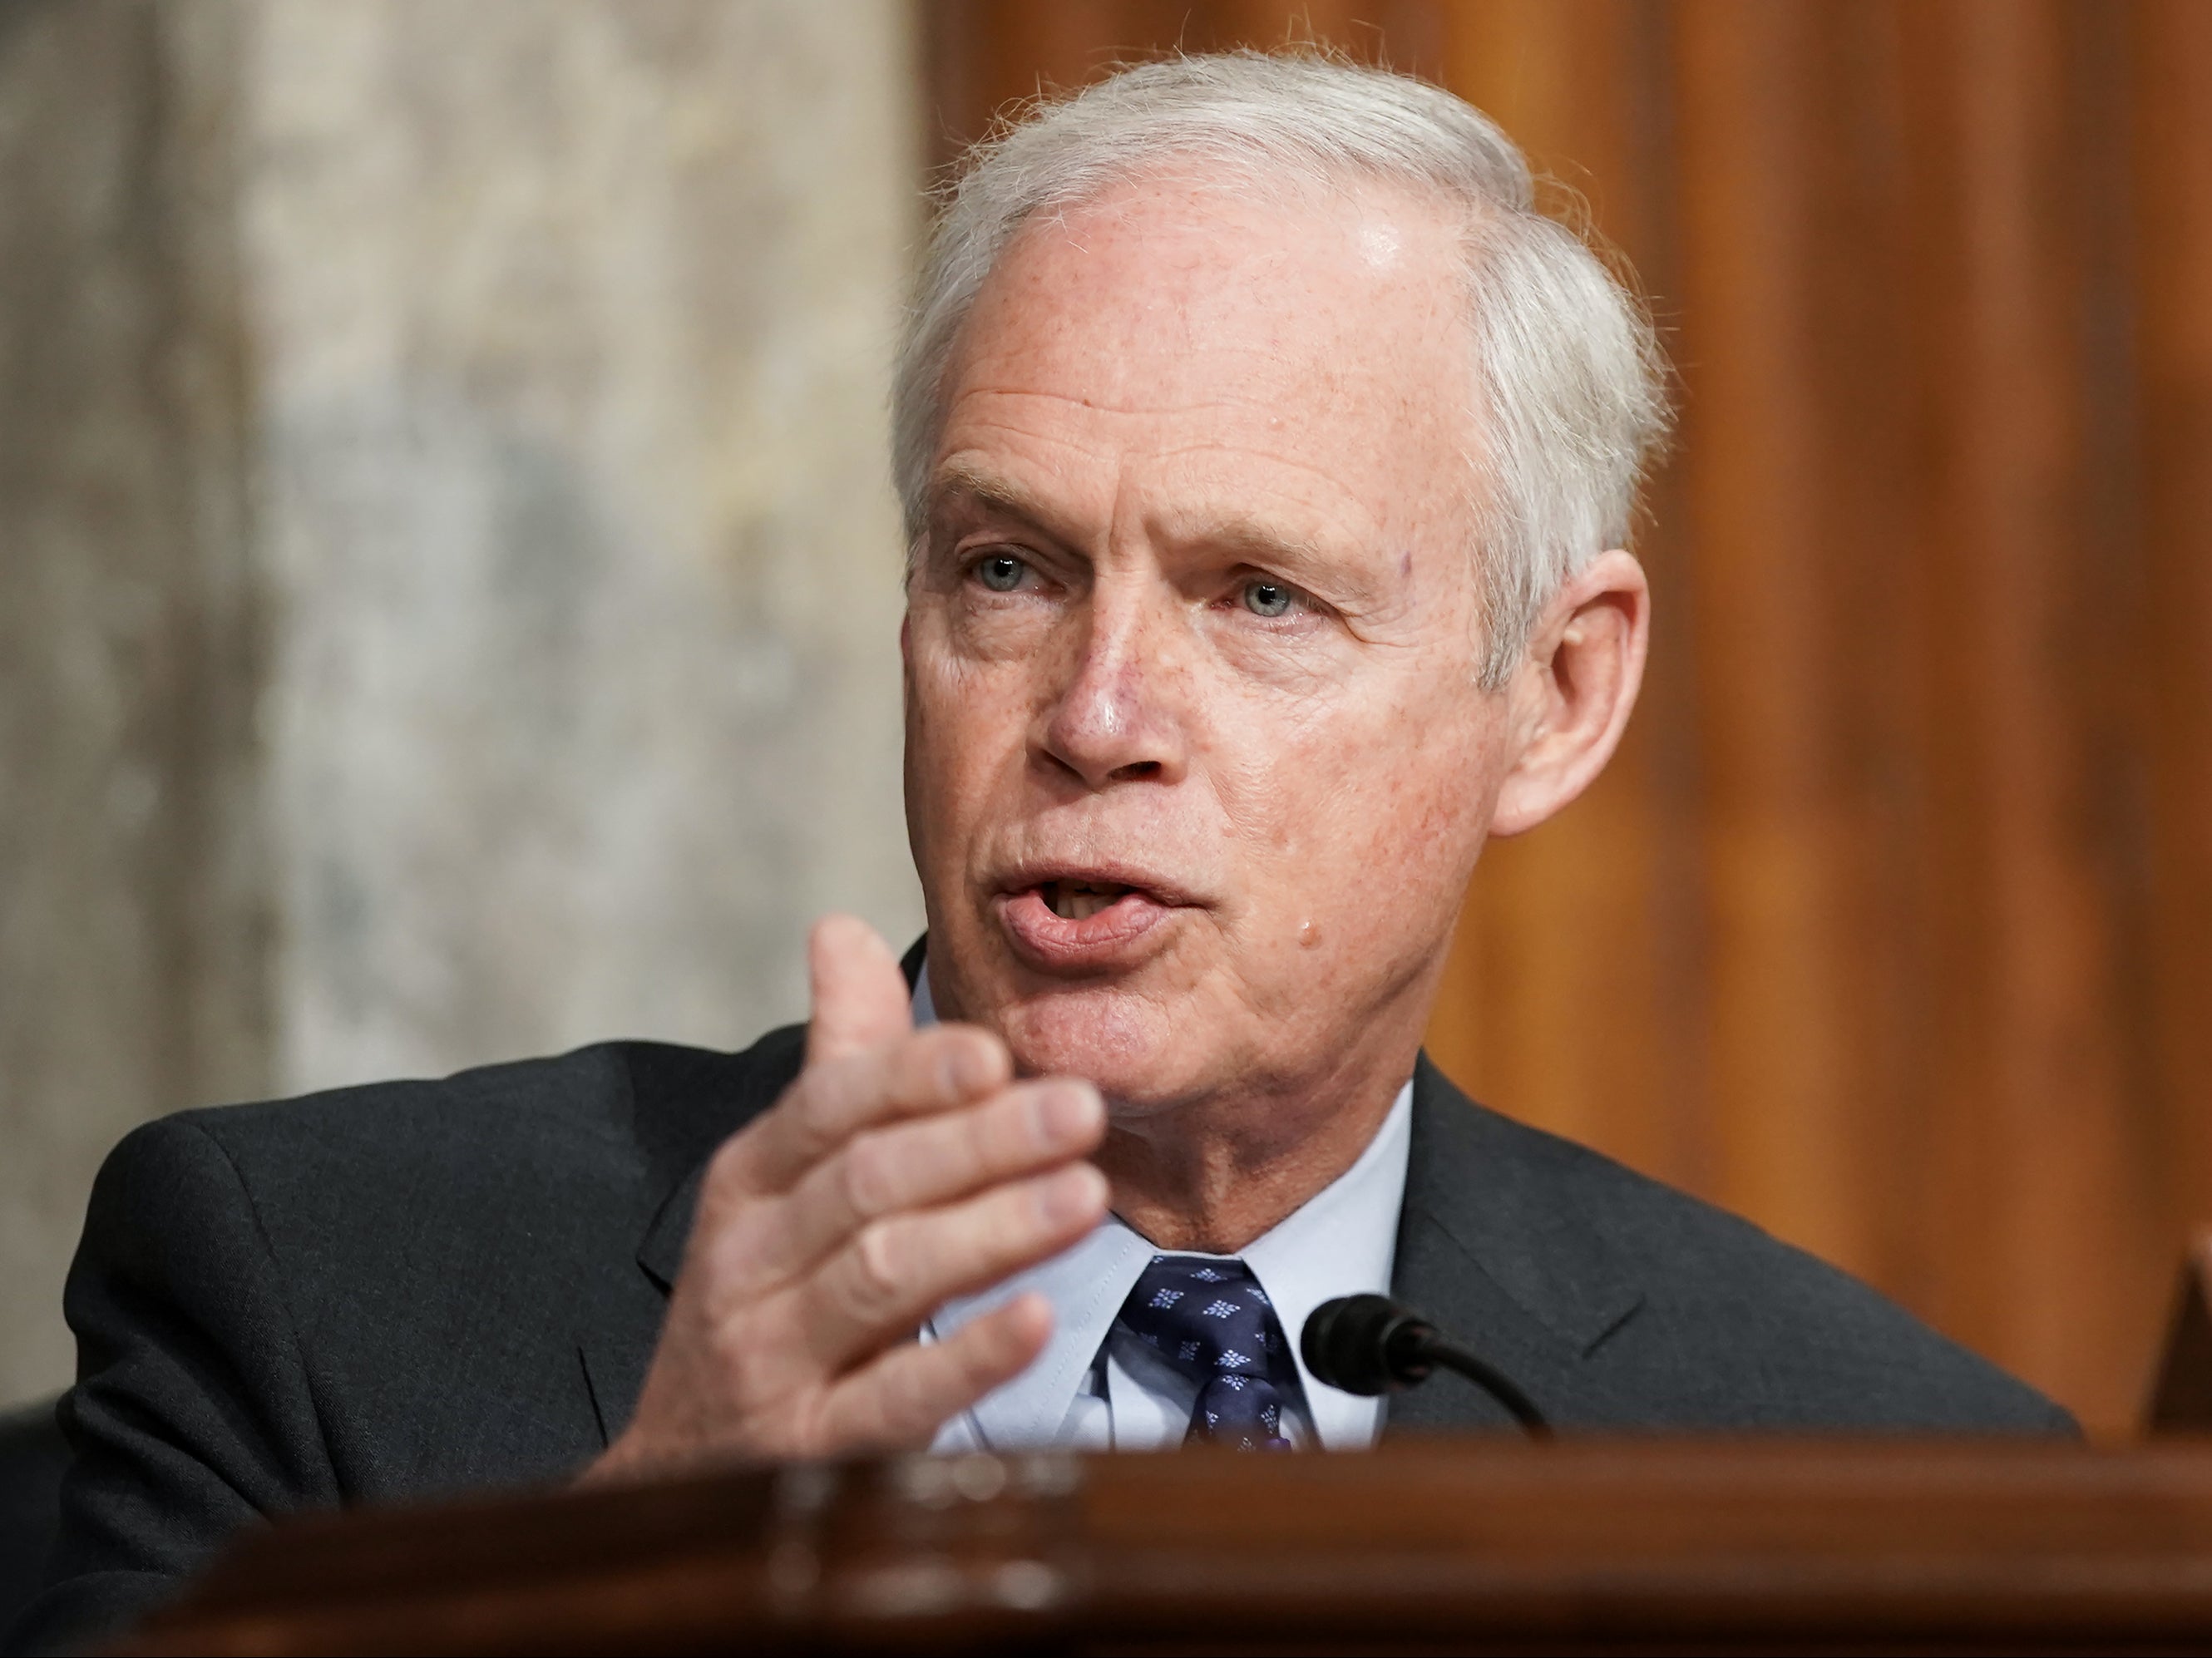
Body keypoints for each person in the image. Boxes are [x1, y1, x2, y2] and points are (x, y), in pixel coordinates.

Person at [11, 50, 2068, 1657]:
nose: (1093, 716)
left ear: (1555, 693)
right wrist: (625, 1569)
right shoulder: (309, 1291)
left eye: (1259, 596)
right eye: (1008, 567)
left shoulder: (1892, 1471)